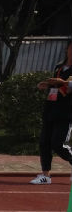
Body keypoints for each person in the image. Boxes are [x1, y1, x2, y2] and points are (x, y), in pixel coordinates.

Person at [30, 39, 72, 185]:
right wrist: (47, 84)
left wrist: (62, 82)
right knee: (44, 142)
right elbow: (56, 86)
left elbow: (67, 86)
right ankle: (45, 175)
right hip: (51, 109)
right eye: (71, 48)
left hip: (66, 112)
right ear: (67, 49)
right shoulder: (59, 67)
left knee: (57, 144)